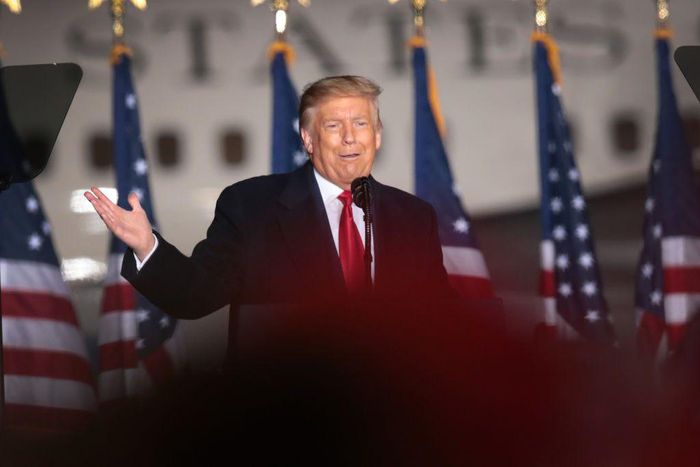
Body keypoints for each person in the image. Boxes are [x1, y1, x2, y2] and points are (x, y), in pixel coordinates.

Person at [84, 75, 455, 345]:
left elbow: (439, 316)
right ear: (308, 139)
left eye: (360, 124)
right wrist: (148, 246)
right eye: (333, 126)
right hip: (286, 420)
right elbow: (195, 295)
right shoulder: (252, 207)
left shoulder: (412, 216)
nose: (349, 137)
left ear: (377, 135)